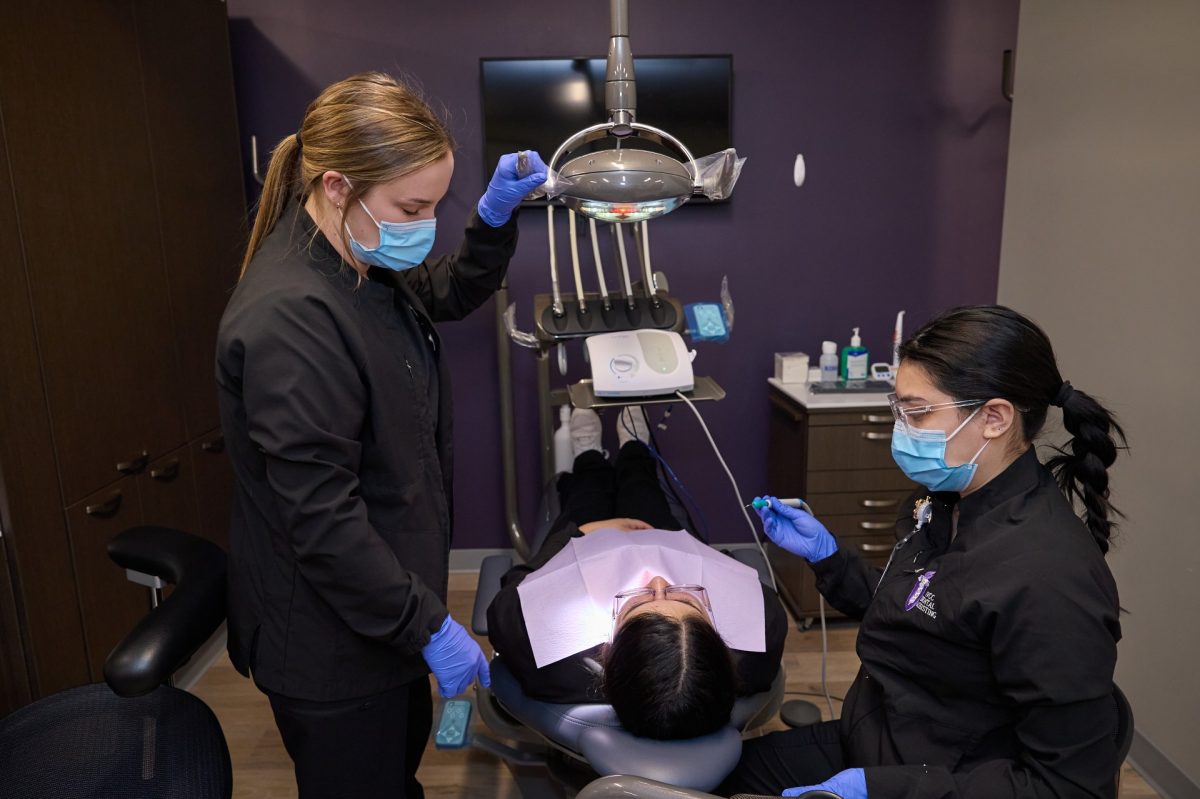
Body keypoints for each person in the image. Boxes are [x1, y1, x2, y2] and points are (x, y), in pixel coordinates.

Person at [216, 72, 547, 798]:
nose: (423, 222)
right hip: (329, 642)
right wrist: (427, 623)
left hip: (381, 614)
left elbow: (447, 289)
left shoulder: (357, 259)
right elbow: (324, 522)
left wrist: (492, 218)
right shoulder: (290, 318)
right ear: (338, 185)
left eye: (434, 204)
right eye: (413, 206)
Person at [719, 305, 1126, 799]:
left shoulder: (1048, 579)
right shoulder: (944, 504)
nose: (901, 428)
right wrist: (827, 557)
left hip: (940, 779)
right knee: (721, 776)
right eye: (899, 409)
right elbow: (918, 613)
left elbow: (1071, 788)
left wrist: (887, 789)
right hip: (879, 736)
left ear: (994, 418)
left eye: (916, 411)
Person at [487, 406, 789, 740]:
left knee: (585, 495)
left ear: (609, 654)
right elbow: (742, 583)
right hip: (662, 538)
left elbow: (519, 585)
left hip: (589, 542)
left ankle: (588, 456)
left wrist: (582, 531)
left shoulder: (543, 652)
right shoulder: (759, 642)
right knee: (645, 491)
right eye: (687, 599)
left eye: (637, 602)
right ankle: (634, 449)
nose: (659, 581)